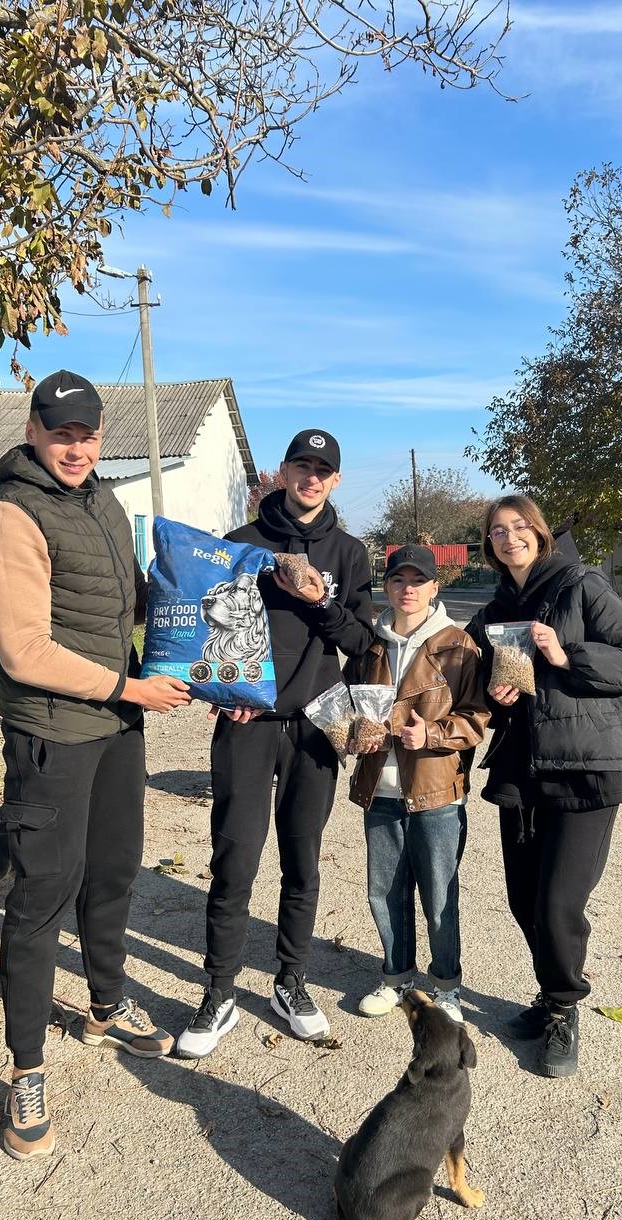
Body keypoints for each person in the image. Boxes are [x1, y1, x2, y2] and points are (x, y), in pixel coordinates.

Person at [0, 370, 191, 1160]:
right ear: (32, 431)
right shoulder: (11, 515)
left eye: (87, 434)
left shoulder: (104, 501)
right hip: (53, 736)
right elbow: (24, 650)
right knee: (42, 897)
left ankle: (105, 1006)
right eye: (61, 434)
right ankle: (25, 1070)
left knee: (114, 872)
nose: (76, 447)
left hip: (116, 728)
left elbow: (120, 603)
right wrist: (131, 687)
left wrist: (204, 608)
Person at [175, 430, 374, 1058]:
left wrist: (318, 601)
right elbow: (206, 627)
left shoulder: (349, 553)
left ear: (334, 481)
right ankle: (219, 992)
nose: (311, 477)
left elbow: (361, 641)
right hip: (247, 722)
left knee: (301, 858)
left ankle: (291, 982)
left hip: (315, 723)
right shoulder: (239, 544)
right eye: (301, 466)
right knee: (234, 857)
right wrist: (220, 688)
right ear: (282, 472)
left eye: (323, 469)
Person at [466, 495, 622, 1077]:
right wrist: (492, 689)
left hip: (585, 768)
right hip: (523, 768)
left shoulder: (581, 585)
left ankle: (564, 1008)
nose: (510, 538)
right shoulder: (495, 609)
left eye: (520, 527)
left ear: (541, 533)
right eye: (498, 531)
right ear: (489, 545)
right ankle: (551, 991)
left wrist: (565, 654)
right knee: (523, 898)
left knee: (557, 902)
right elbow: (476, 678)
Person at [344, 545, 488, 1024]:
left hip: (436, 792)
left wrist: (433, 734)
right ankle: (396, 978)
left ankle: (446, 987)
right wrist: (349, 731)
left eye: (418, 581)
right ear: (386, 587)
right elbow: (345, 703)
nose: (408, 589)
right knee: (384, 892)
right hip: (380, 790)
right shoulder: (369, 644)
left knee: (439, 897)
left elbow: (476, 717)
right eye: (399, 580)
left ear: (434, 587)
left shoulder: (457, 646)